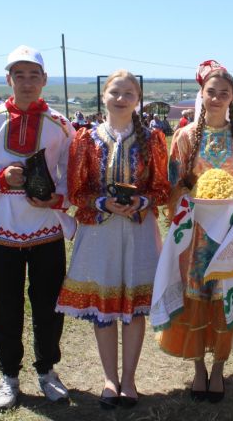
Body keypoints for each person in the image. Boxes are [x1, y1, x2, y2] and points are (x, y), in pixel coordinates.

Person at [0, 45, 75, 410]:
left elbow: (72, 174)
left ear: (44, 80)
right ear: (8, 79)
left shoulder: (61, 124)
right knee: (5, 304)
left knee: (48, 303)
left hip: (46, 227)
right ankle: (9, 375)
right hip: (4, 227)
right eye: (19, 75)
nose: (27, 83)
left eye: (33, 75)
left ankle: (47, 371)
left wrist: (55, 198)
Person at [55, 70, 169, 409]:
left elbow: (162, 187)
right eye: (115, 92)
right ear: (103, 96)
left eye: (129, 93)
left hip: (139, 228)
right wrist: (103, 202)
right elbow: (76, 190)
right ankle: (109, 378)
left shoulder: (153, 140)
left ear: (138, 99)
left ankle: (129, 379)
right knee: (104, 307)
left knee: (134, 309)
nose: (121, 98)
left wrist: (141, 201)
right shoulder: (84, 139)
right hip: (99, 229)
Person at [154, 61, 233, 403]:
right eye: (211, 93)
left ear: (232, 98)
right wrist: (189, 202)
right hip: (196, 234)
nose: (217, 99)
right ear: (201, 95)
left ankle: (219, 367)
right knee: (197, 297)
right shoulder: (186, 137)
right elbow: (173, 185)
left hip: (231, 232)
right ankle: (199, 368)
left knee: (225, 295)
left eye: (224, 94)